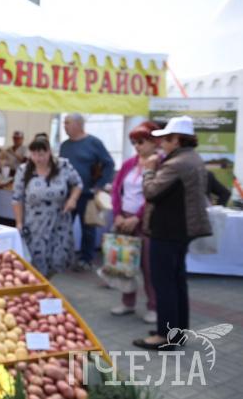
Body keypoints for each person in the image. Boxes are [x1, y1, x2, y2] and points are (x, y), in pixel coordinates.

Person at [133, 116, 211, 350]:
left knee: (164, 283)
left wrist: (148, 171)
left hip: (167, 230)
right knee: (177, 282)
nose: (162, 143)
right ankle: (178, 332)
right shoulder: (193, 158)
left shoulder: (176, 163)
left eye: (166, 139)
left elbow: (151, 192)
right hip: (181, 230)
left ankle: (165, 336)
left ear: (177, 140)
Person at [107, 122, 158, 323]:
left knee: (149, 266)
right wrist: (118, 214)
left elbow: (154, 195)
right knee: (124, 262)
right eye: (134, 142)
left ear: (154, 142)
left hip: (146, 222)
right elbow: (116, 190)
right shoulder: (129, 163)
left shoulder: (159, 165)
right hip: (124, 219)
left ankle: (154, 306)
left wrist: (137, 216)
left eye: (141, 142)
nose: (137, 146)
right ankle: (127, 302)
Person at [12, 138, 83, 277]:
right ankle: (40, 285)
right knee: (36, 262)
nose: (38, 159)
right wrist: (19, 222)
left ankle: (48, 282)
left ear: (49, 152)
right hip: (35, 225)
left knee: (57, 260)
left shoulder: (63, 165)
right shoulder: (24, 170)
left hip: (59, 223)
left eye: (41, 154)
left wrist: (73, 199)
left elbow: (78, 184)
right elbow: (17, 198)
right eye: (34, 154)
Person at [60, 113, 115, 270]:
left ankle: (86, 259)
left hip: (88, 194)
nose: (64, 126)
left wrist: (100, 184)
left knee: (88, 228)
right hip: (68, 194)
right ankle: (64, 256)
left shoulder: (94, 143)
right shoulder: (65, 146)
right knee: (64, 227)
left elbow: (109, 164)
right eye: (64, 123)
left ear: (78, 124)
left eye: (67, 123)